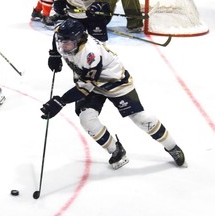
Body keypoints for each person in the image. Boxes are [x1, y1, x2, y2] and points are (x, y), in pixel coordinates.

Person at [40, 18, 186, 169]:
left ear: (79, 39)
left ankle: (172, 146)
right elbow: (56, 34)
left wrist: (61, 101)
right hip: (89, 81)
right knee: (86, 119)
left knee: (141, 118)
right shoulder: (63, 36)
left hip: (114, 82)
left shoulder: (90, 54)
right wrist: (54, 54)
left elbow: (84, 88)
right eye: (61, 41)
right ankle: (116, 151)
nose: (63, 46)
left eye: (67, 42)